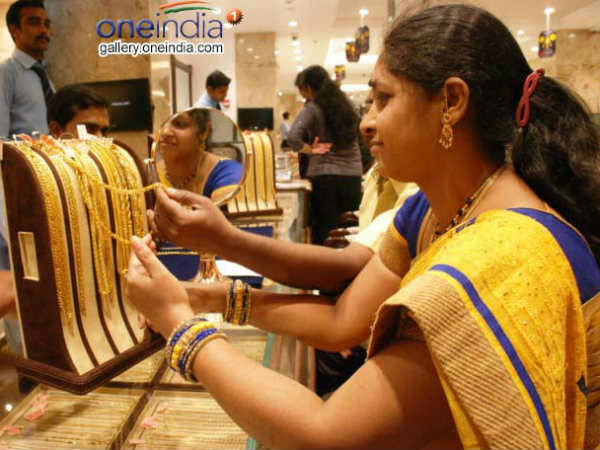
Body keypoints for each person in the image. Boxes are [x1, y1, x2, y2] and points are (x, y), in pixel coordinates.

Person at [129, 5, 600, 447]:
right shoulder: (436, 209)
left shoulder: (502, 258)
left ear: (452, 101)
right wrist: (206, 298)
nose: (366, 123)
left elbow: (324, 435)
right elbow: (341, 322)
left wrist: (180, 325)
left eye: (383, 99)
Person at [288, 65, 363, 245]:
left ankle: (325, 263)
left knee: (325, 231)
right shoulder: (348, 106)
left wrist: (311, 150)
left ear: (308, 87)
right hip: (352, 174)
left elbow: (293, 137)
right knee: (350, 229)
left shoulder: (313, 108)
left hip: (324, 176)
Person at [0, 0, 53, 139]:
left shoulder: (42, 74)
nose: (44, 31)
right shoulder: (5, 73)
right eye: (34, 23)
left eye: (46, 24)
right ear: (15, 30)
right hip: (21, 153)